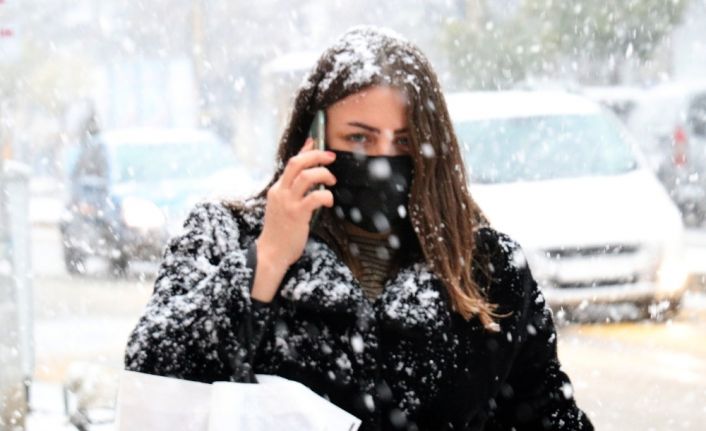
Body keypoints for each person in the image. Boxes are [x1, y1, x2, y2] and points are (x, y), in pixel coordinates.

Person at [125, 26, 594, 430]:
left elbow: (547, 413)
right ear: (314, 135)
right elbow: (156, 376)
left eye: (405, 142)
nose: (382, 160)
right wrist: (266, 259)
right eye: (359, 138)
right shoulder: (225, 235)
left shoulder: (487, 269)